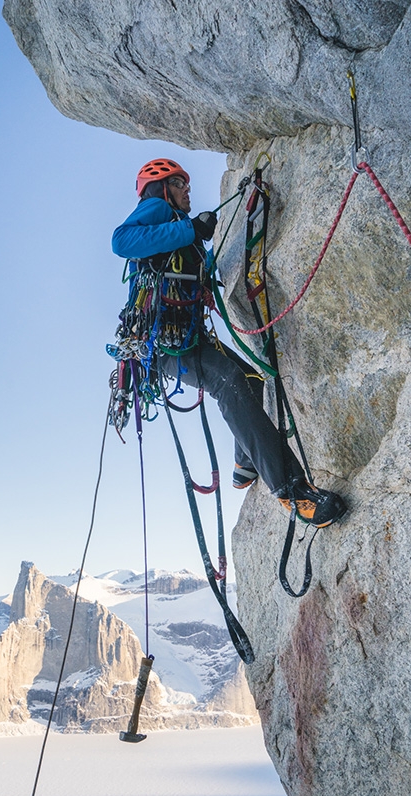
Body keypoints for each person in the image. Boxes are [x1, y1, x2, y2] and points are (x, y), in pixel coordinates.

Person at [111, 158, 346, 528]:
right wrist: (190, 231)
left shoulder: (174, 228)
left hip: (187, 341)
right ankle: (292, 491)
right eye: (179, 183)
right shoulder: (156, 210)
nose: (188, 188)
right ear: (160, 189)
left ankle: (245, 463)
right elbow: (121, 241)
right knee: (230, 383)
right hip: (167, 348)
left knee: (252, 379)